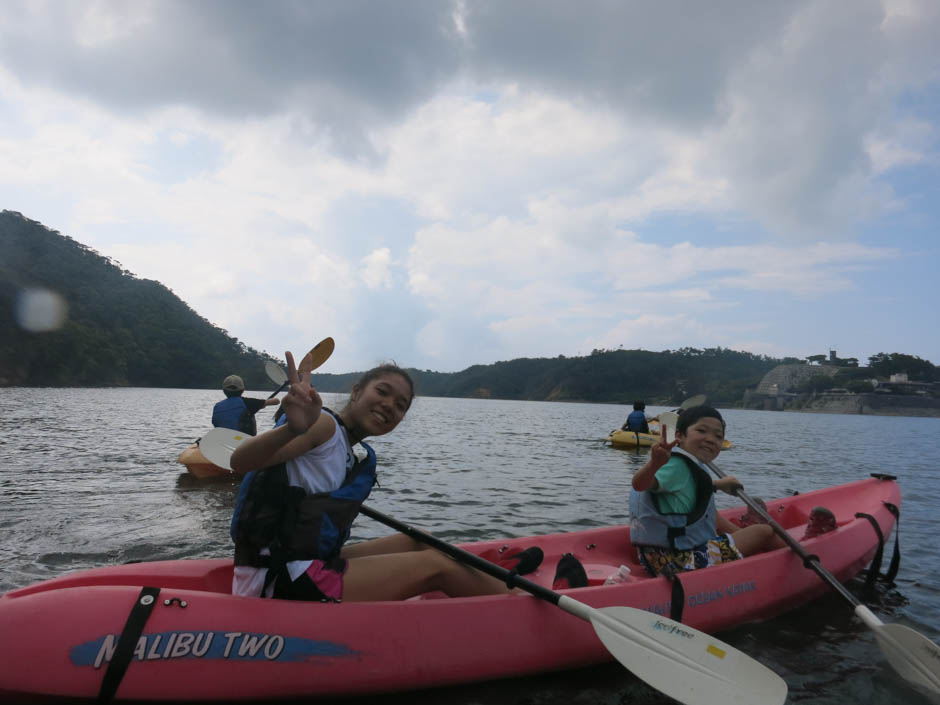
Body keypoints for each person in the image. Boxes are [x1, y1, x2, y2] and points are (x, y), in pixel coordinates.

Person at [228, 351, 542, 602]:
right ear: (355, 391)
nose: (389, 406)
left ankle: (495, 579)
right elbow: (241, 461)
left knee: (420, 539)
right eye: (382, 392)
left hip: (301, 561)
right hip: (279, 579)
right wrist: (292, 429)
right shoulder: (323, 426)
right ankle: (524, 602)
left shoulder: (350, 450)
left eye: (400, 405)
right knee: (435, 565)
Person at [628, 405, 786, 577]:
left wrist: (717, 485)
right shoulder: (673, 465)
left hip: (658, 560)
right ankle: (794, 553)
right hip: (680, 562)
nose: (711, 439)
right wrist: (654, 464)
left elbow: (685, 489)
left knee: (712, 516)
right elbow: (640, 484)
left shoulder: (684, 465)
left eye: (718, 436)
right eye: (702, 431)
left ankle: (747, 536)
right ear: (679, 435)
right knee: (764, 532)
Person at [211, 374, 280, 436]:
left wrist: (260, 405)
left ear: (224, 390)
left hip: (221, 440)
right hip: (242, 442)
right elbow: (276, 401)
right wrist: (262, 403)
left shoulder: (217, 406)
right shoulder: (248, 402)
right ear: (242, 390)